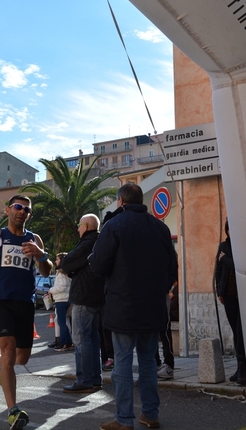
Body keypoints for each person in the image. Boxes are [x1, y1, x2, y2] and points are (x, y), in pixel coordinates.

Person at [90, 183, 177, 430]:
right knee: (149, 362)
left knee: (123, 364)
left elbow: (98, 266)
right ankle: (150, 414)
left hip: (123, 306)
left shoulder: (113, 226)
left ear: (121, 202)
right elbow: (172, 265)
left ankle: (124, 419)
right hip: (152, 307)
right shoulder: (160, 228)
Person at [0, 194, 53, 430]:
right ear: (8, 210)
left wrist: (40, 254)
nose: (22, 211)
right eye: (18, 207)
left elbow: (46, 271)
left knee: (21, 359)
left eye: (27, 209)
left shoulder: (34, 239)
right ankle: (13, 410)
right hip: (1, 300)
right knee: (8, 349)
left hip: (25, 302)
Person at [61, 213, 106, 394]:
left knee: (81, 340)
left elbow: (67, 262)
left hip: (84, 296)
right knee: (93, 339)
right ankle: (95, 379)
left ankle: (84, 380)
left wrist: (71, 269)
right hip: (96, 296)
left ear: (86, 227)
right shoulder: (100, 241)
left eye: (79, 225)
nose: (78, 228)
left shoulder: (88, 242)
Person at [215, 218, 246, 386]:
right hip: (228, 295)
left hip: (243, 295)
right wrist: (219, 290)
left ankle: (243, 370)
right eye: (229, 229)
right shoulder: (224, 246)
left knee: (242, 332)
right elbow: (218, 270)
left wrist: (225, 259)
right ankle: (240, 368)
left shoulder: (243, 246)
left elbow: (239, 265)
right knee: (236, 332)